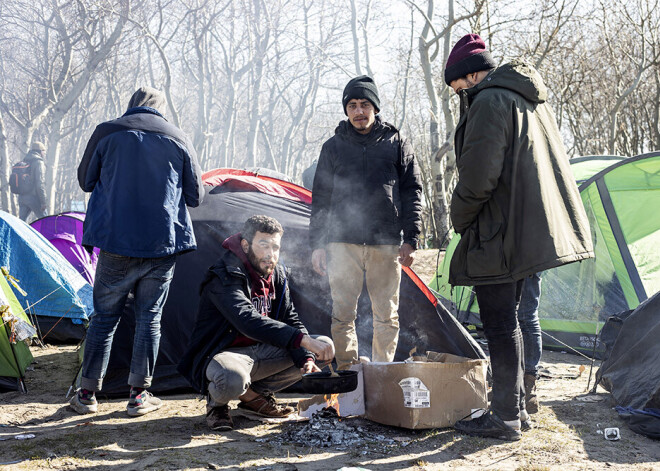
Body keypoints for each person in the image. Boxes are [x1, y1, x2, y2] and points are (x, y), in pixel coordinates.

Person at [444, 34, 593, 441]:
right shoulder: (526, 98)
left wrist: (460, 218)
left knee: (499, 323)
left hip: (499, 229)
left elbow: (479, 176)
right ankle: (518, 410)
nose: (459, 94)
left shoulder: (491, 101)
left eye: (458, 87)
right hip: (527, 228)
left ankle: (505, 416)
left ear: (471, 73)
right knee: (512, 320)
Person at [70, 87, 204, 416]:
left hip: (116, 242)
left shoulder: (107, 131)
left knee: (104, 319)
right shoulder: (178, 135)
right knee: (150, 320)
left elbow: (86, 181)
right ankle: (139, 396)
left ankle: (86, 395)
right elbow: (196, 194)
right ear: (161, 108)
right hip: (161, 245)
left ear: (131, 105)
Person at [178, 215, 335, 431]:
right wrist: (304, 341)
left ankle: (254, 397)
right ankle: (218, 406)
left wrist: (306, 358)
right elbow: (247, 320)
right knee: (231, 378)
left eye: (275, 247)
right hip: (225, 354)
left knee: (323, 347)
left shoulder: (276, 272)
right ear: (245, 244)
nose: (271, 254)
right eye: (263, 245)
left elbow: (289, 317)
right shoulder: (225, 273)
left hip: (263, 352)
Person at [309, 75, 423, 370]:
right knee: (342, 314)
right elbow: (320, 198)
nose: (358, 111)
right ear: (346, 110)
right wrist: (318, 244)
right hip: (341, 242)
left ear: (375, 107)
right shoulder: (332, 147)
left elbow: (413, 191)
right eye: (352, 105)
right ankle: (349, 375)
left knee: (387, 314)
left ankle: (381, 372)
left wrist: (411, 237)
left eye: (364, 104)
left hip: (385, 242)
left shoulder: (397, 143)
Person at [518, 273, 543, 414]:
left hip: (527, 256)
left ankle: (528, 387)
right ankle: (513, 386)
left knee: (526, 316)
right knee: (514, 316)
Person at [17, 142, 48, 221]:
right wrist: (43, 202)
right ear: (40, 151)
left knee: (22, 224)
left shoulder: (25, 160)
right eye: (44, 151)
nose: (44, 153)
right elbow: (40, 183)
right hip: (34, 197)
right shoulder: (38, 162)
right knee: (46, 221)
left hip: (22, 197)